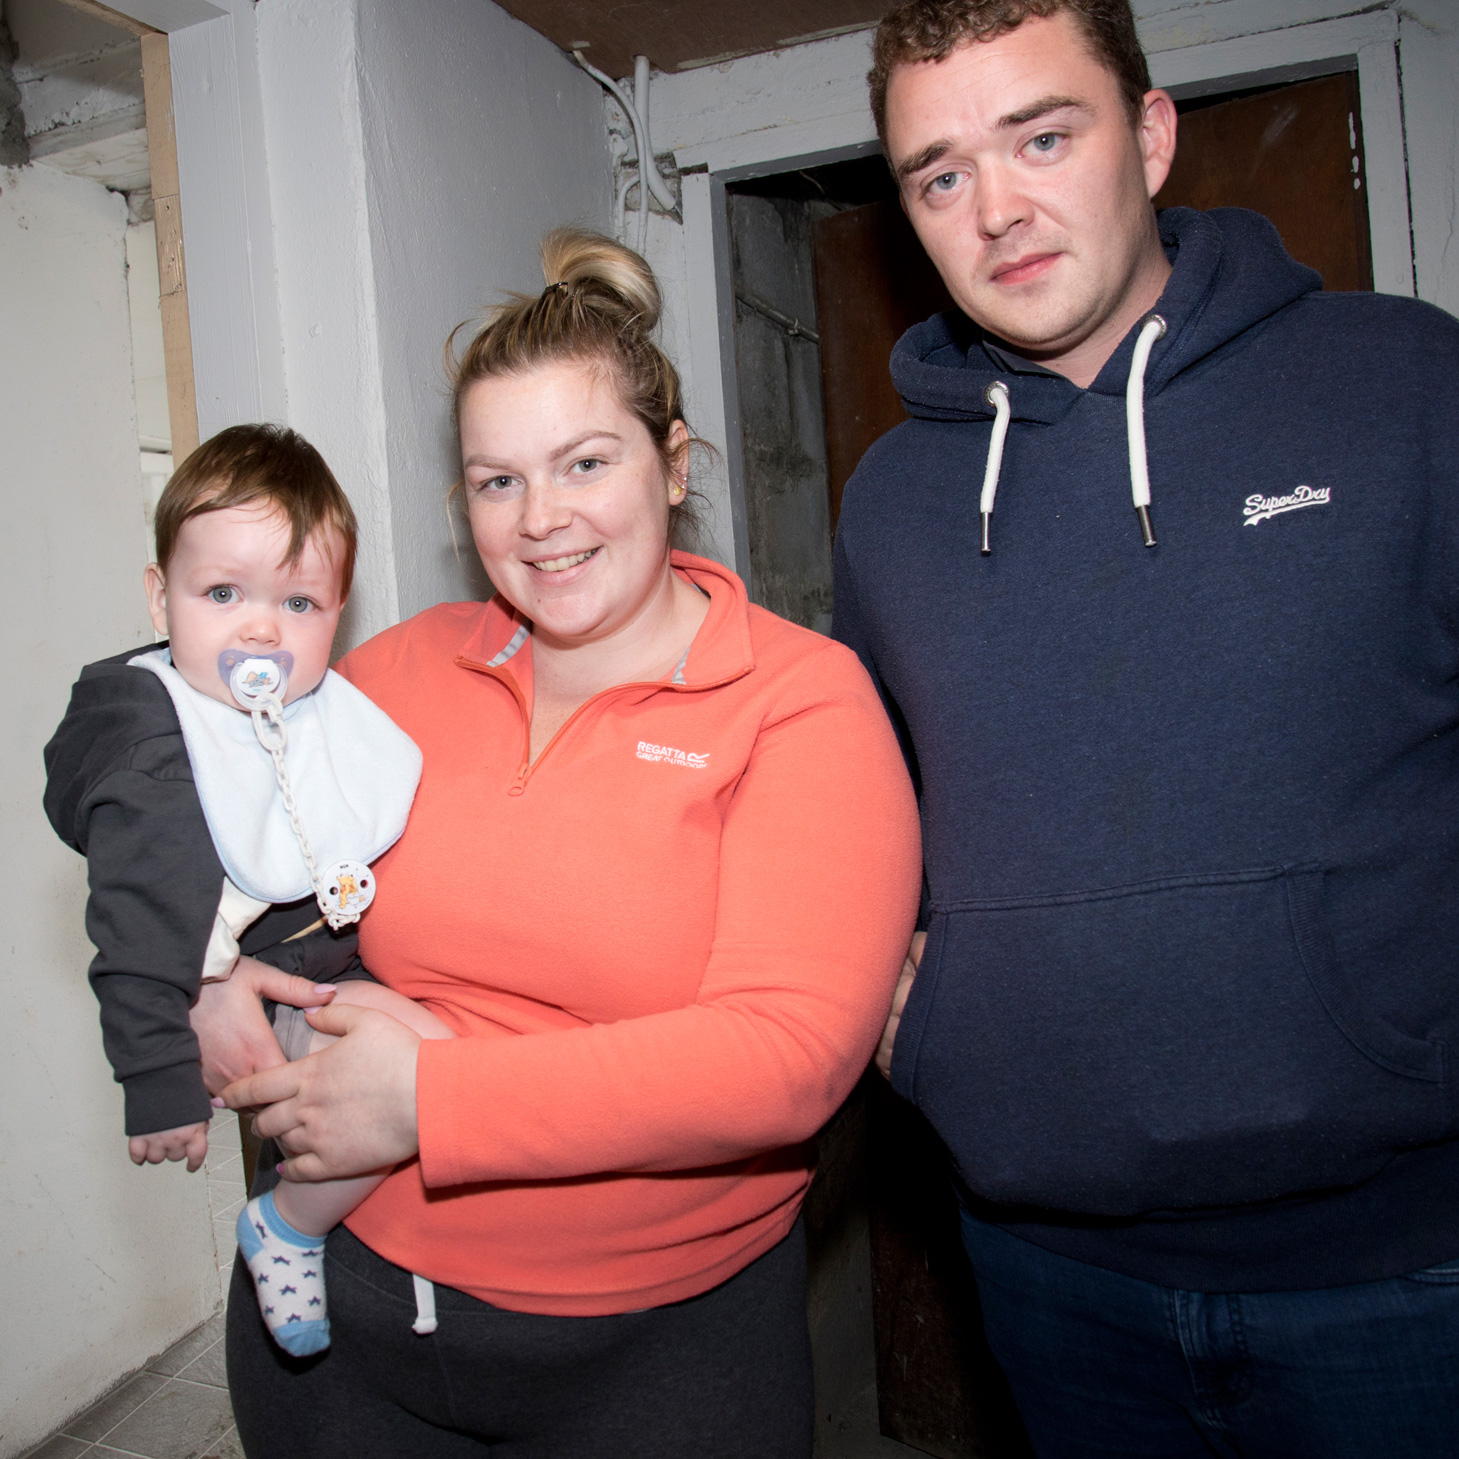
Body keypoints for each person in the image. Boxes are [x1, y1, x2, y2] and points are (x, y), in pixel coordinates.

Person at [834, 1, 1459, 1454]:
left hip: (1418, 1279)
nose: (996, 210)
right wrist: (898, 1005)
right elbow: (867, 819)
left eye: (1041, 138)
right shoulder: (891, 503)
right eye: (940, 173)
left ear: (1151, 135)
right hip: (1048, 1277)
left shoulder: (1419, 390)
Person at [199, 230, 921, 1458]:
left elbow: (786, 1057)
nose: (542, 520)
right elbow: (209, 791)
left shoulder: (798, 702)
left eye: (585, 462)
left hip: (655, 1355)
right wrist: (205, 970)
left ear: (673, 462)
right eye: (497, 481)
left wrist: (429, 1101)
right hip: (340, 1325)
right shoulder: (401, 671)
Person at [43, 424, 452, 1359]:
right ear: (161, 597)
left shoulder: (319, 713)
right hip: (264, 1000)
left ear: (338, 612)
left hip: (320, 975)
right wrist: (157, 1081)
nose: (262, 629)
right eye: (223, 593)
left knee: (444, 1065)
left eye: (298, 602)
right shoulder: (157, 753)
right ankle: (289, 1225)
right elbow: (136, 932)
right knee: (431, 1071)